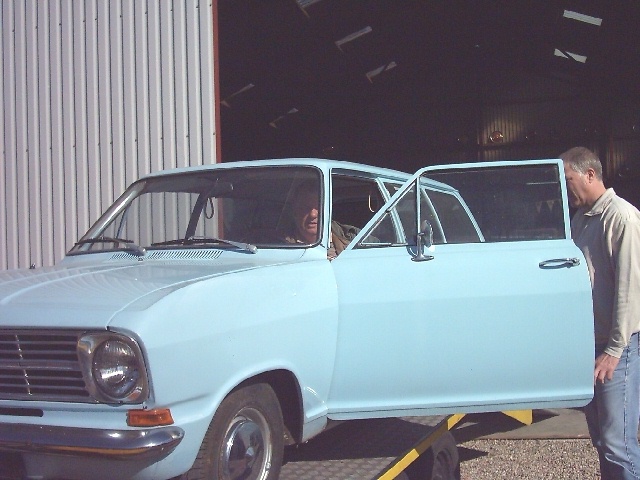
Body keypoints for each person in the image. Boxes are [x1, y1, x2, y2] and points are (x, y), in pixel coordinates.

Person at [561, 146, 640, 480]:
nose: (564, 188)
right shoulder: (581, 219)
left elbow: (630, 289)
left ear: (590, 174)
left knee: (617, 443)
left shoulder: (621, 218)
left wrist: (614, 349)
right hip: (591, 346)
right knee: (603, 440)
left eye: (568, 179)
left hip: (615, 349)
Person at [284, 181, 360, 260]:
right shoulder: (281, 246)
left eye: (319, 207)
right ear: (295, 211)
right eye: (305, 208)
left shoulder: (353, 237)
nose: (313, 215)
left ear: (328, 210)